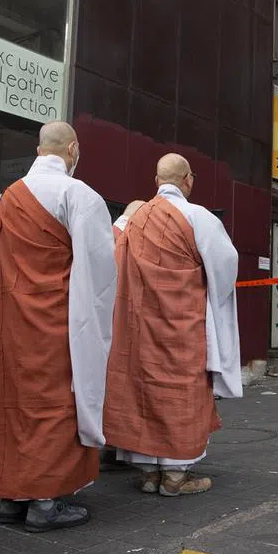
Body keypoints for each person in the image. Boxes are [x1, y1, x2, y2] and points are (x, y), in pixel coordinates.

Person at [0, 121, 116, 532]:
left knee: (18, 402)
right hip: (58, 319)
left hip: (12, 322)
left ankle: (15, 496)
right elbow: (98, 273)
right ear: (73, 149)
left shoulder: (10, 198)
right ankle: (45, 501)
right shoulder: (78, 194)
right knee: (56, 404)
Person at [104, 153, 242, 497]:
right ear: (189, 180)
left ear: (156, 182)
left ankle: (150, 473)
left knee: (143, 389)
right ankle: (176, 477)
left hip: (139, 326)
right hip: (183, 324)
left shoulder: (134, 221)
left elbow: (114, 264)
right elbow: (226, 267)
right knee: (182, 391)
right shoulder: (198, 217)